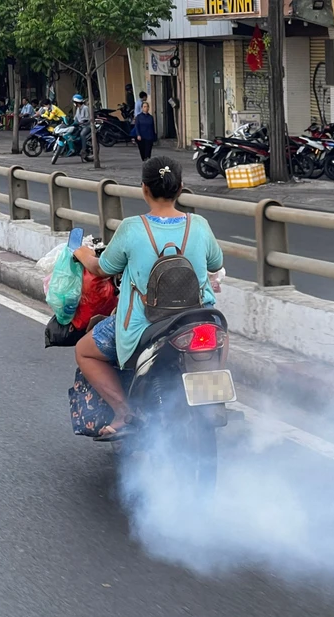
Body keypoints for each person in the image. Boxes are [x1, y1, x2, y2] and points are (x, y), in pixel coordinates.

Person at [72, 157, 224, 440]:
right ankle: (213, 399)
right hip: (197, 319)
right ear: (180, 188)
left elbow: (102, 269)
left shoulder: (132, 228)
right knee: (218, 338)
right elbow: (216, 263)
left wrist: (83, 254)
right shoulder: (199, 225)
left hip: (145, 325)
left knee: (84, 350)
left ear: (144, 189)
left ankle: (124, 413)